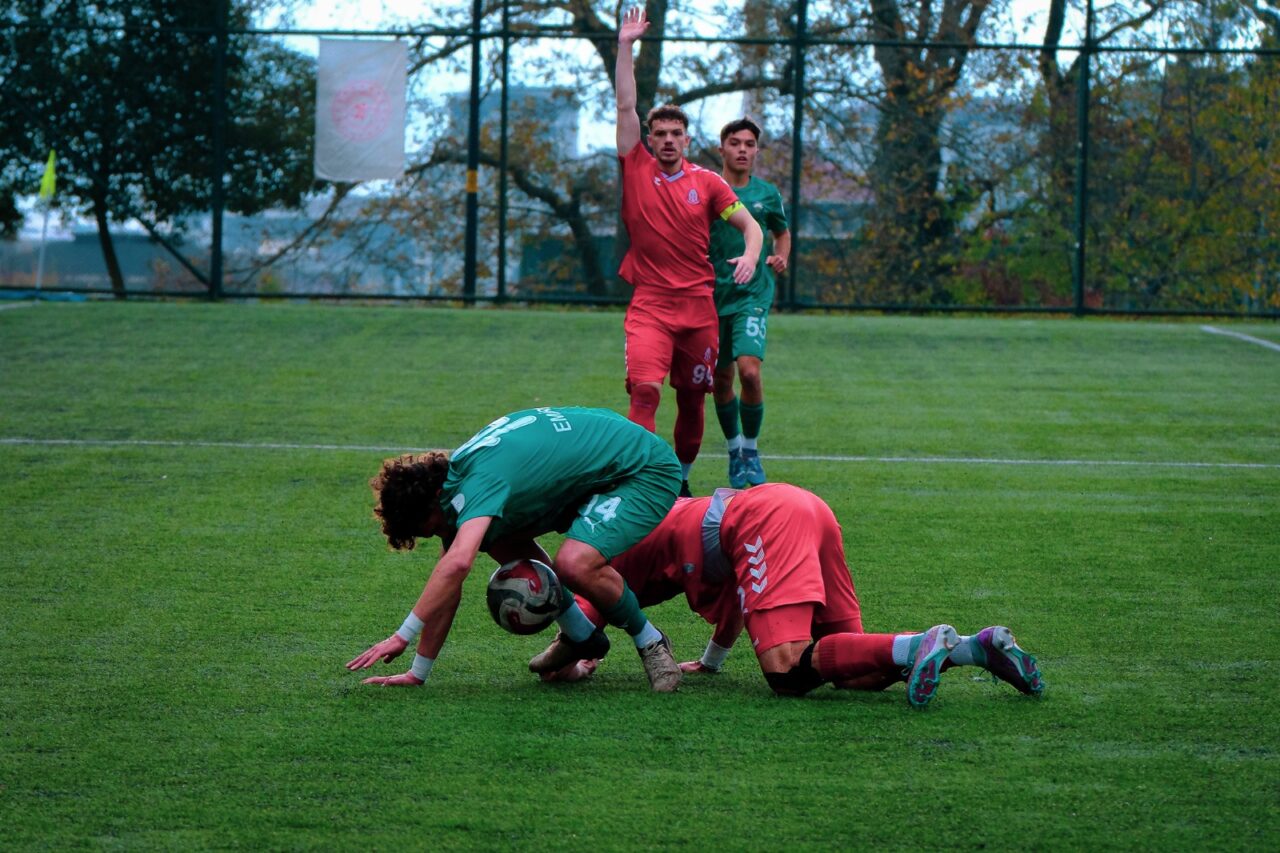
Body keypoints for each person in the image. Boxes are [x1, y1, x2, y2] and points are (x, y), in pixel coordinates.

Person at [543, 483, 1044, 708]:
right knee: (849, 672)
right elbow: (740, 587)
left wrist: (566, 664)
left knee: (784, 673)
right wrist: (713, 661)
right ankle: (973, 647)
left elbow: (580, 630)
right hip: (801, 507)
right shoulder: (635, 518)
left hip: (766, 520)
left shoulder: (591, 556)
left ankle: (922, 643)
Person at [346, 405, 684, 692]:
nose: (438, 535)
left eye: (432, 528)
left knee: (574, 563)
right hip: (597, 469)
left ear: (434, 500)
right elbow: (449, 583)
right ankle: (581, 637)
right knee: (493, 535)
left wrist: (400, 636)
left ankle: (651, 641)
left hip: (642, 470)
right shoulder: (455, 481)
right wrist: (417, 673)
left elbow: (458, 565)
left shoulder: (480, 482)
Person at [614, 7, 763, 498]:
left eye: (677, 134)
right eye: (660, 134)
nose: (668, 140)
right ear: (649, 140)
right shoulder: (635, 167)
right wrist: (625, 45)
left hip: (698, 309)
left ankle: (678, 477)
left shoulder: (708, 183)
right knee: (646, 389)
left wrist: (749, 253)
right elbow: (624, 107)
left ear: (687, 139)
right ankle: (643, 477)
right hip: (651, 306)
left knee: (693, 401)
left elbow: (750, 226)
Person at [709, 118, 791, 488]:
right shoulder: (706, 187)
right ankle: (733, 450)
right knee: (721, 379)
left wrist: (780, 256)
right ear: (722, 148)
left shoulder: (767, 193)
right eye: (735, 142)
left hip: (752, 295)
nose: (742, 149)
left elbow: (781, 233)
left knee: (750, 372)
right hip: (711, 297)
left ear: (757, 151)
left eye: (749, 144)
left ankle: (751, 450)